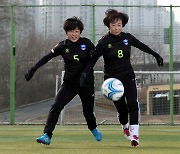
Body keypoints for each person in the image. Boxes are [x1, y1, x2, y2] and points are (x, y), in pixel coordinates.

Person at [80, 9, 163, 147]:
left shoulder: (127, 37)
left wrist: (156, 55)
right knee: (123, 110)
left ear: (122, 25)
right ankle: (125, 126)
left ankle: (135, 135)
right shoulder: (103, 42)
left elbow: (142, 46)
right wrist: (84, 74)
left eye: (119, 25)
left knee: (133, 104)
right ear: (109, 26)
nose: (117, 27)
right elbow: (92, 60)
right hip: (112, 82)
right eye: (114, 25)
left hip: (128, 76)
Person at [25, 17, 102, 145]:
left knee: (87, 112)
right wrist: (33, 69)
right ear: (66, 32)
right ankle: (47, 135)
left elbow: (93, 59)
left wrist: (85, 73)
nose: (74, 34)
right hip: (69, 84)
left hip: (86, 84)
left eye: (76, 31)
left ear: (80, 32)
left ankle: (93, 128)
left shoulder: (87, 43)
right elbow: (46, 58)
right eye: (71, 31)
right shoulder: (62, 46)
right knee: (56, 107)